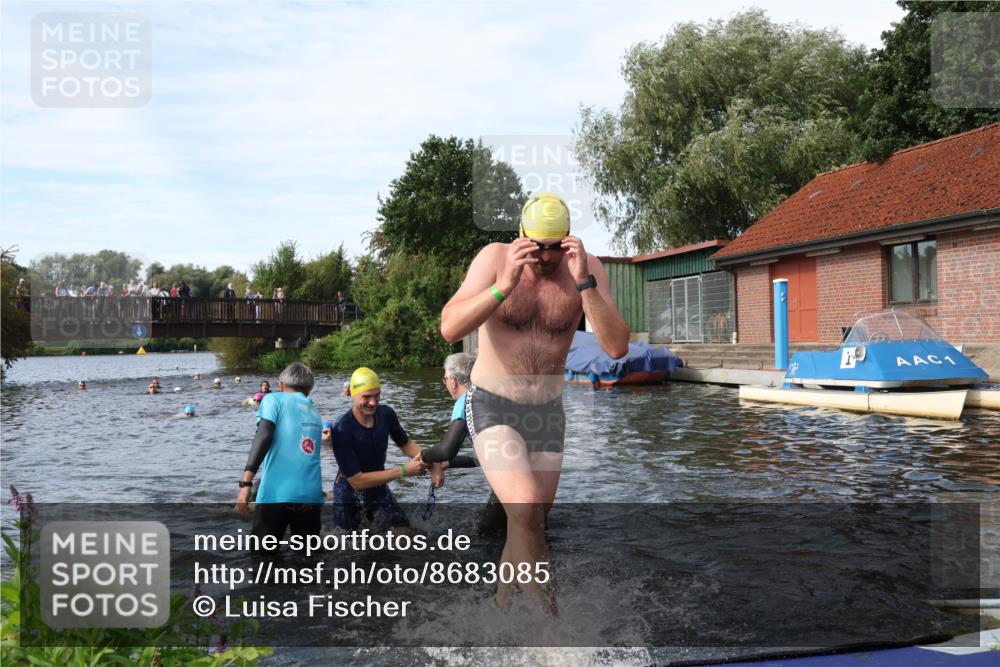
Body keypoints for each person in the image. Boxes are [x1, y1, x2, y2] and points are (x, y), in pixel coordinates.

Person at [439, 191, 630, 611]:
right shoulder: (494, 258)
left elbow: (616, 347)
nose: (545, 257)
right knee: (524, 512)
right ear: (521, 235)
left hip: (547, 413)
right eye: (538, 247)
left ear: (568, 239)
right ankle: (551, 629)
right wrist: (502, 286)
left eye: (555, 247)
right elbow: (449, 327)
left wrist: (584, 284)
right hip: (493, 402)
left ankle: (501, 608)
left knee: (530, 521)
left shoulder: (586, 267)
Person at [236, 362, 324, 545]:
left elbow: (264, 435)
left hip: (276, 494)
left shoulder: (273, 399)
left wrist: (246, 483)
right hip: (312, 497)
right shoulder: (314, 410)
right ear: (310, 389)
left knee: (262, 560)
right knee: (308, 561)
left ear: (281, 385)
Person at [329, 367, 427, 531]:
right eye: (366, 397)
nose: (373, 402)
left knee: (405, 535)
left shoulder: (386, 414)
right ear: (352, 395)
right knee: (350, 550)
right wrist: (404, 470)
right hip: (348, 495)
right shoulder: (342, 428)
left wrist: (432, 462)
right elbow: (357, 481)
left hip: (379, 489)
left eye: (377, 395)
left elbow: (406, 444)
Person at [421, 353, 480, 481]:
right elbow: (483, 457)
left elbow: (446, 451)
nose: (445, 384)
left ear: (453, 382)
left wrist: (423, 456)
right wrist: (448, 463)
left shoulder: (465, 401)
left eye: (445, 379)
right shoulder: (483, 394)